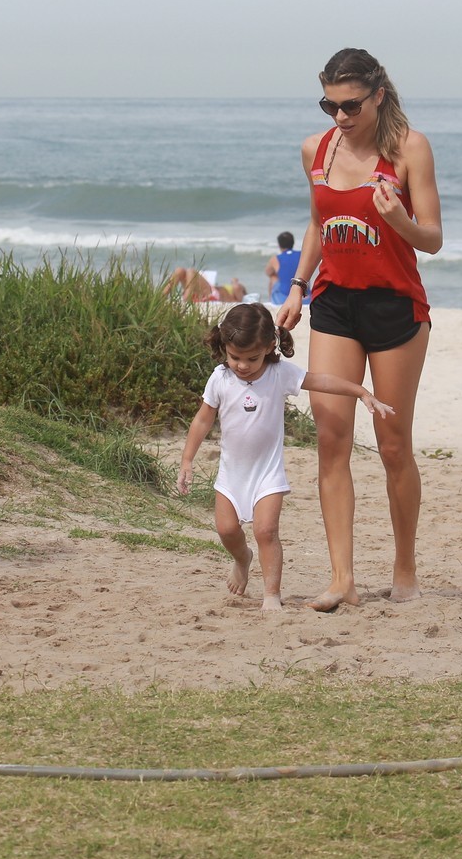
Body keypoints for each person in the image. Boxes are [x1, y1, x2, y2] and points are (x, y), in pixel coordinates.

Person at [274, 48, 442, 611]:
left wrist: (400, 221)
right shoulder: (315, 149)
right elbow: (319, 221)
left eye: (350, 105)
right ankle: (341, 578)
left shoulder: (409, 148)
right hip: (335, 304)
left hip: (396, 309)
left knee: (394, 446)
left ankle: (404, 568)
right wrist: (298, 285)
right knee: (331, 439)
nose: (339, 117)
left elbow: (433, 238)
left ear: (378, 95)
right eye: (329, 104)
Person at [178, 303, 393, 610]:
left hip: (267, 474)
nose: (241, 365)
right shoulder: (220, 379)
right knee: (226, 530)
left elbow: (320, 381)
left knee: (266, 531)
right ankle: (243, 559)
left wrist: (359, 391)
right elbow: (202, 420)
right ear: (224, 348)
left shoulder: (279, 374)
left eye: (251, 358)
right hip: (230, 474)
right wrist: (187, 461)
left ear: (268, 346)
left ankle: (271, 596)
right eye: (234, 357)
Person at [265, 231, 305, 306]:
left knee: (273, 277)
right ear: (293, 243)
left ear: (279, 245)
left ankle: (271, 301)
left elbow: (268, 272)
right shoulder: (302, 254)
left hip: (284, 298)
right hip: (304, 296)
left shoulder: (276, 258)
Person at [168, 266, 247, 303]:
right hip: (205, 293)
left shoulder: (237, 291)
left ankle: (187, 296)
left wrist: (235, 281)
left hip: (213, 295)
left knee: (191, 271)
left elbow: (237, 290)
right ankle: (162, 296)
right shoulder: (231, 290)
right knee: (180, 270)